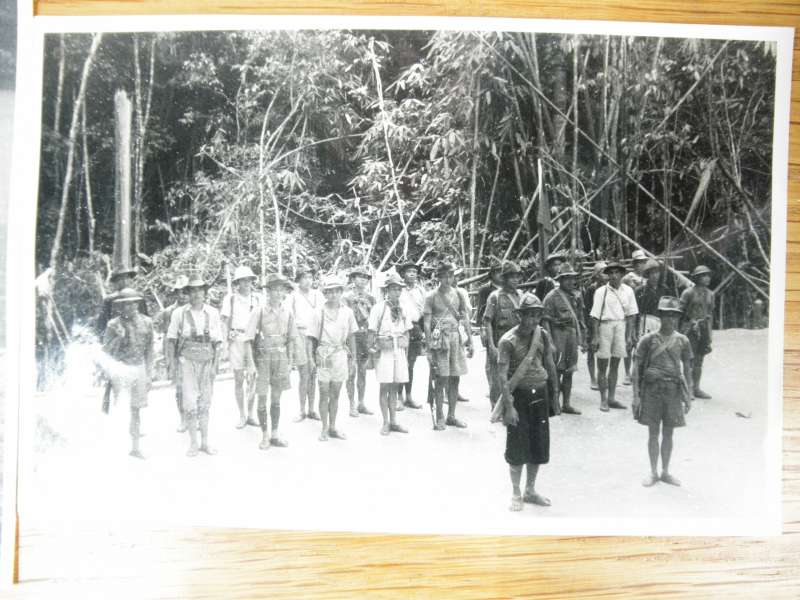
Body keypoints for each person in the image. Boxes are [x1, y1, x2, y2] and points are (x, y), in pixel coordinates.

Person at [492, 293, 558, 511]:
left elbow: (550, 365)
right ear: (520, 316)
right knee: (517, 447)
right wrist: (508, 407)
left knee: (538, 446)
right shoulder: (507, 341)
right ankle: (516, 492)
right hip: (519, 396)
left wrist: (555, 396)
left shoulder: (544, 336)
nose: (532, 320)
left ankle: (530, 489)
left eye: (536, 315)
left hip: (540, 393)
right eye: (528, 315)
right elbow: (501, 376)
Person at [632, 296, 693, 487]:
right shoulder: (648, 339)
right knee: (653, 432)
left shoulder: (682, 340)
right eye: (666, 315)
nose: (670, 320)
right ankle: (653, 472)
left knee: (669, 433)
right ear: (660, 316)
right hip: (652, 390)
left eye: (674, 316)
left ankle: (666, 471)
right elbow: (636, 369)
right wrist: (636, 396)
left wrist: (688, 394)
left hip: (673, 390)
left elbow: (688, 368)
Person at [167, 276, 224, 457]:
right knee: (190, 403)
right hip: (187, 362)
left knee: (205, 403)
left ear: (204, 292)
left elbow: (218, 342)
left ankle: (205, 442)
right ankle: (193, 443)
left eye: (200, 290)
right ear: (188, 293)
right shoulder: (179, 314)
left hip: (207, 361)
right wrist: (171, 365)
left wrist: (216, 365)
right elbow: (171, 340)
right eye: (192, 290)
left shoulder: (213, 313)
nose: (196, 294)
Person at [244, 274, 302, 450]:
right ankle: (264, 435)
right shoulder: (259, 311)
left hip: (280, 358)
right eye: (274, 288)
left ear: (285, 291)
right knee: (262, 398)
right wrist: (251, 364)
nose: (278, 292)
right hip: (263, 358)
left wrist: (291, 360)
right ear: (267, 291)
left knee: (276, 399)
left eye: (281, 289)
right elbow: (247, 339)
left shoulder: (288, 312)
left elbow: (292, 338)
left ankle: (275, 433)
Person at [102, 288, 154, 459]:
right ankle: (116, 446)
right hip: (120, 369)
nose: (129, 307)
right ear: (120, 306)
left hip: (139, 368)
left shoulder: (147, 322)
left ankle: (135, 447)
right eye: (125, 304)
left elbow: (149, 350)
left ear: (137, 304)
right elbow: (106, 351)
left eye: (132, 303)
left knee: (136, 409)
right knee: (121, 408)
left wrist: (148, 374)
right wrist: (118, 337)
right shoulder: (113, 325)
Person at [423, 262, 474, 430]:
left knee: (455, 377)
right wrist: (429, 346)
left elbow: (464, 318)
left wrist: (471, 341)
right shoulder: (431, 296)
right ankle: (440, 416)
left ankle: (451, 415)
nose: (448, 279)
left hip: (456, 338)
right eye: (444, 276)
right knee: (441, 378)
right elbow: (427, 322)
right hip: (440, 342)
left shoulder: (458, 294)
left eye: (450, 276)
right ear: (439, 278)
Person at [308, 275, 358, 441]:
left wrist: (353, 359)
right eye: (329, 292)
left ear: (341, 292)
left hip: (340, 354)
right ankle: (323, 428)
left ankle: (333, 426)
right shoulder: (318, 312)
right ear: (325, 293)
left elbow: (351, 336)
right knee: (323, 392)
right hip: (323, 353)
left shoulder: (347, 312)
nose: (333, 295)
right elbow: (311, 338)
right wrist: (311, 359)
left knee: (336, 393)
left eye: (336, 291)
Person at [368, 272, 413, 435]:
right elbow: (371, 332)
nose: (396, 292)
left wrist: (405, 349)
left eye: (399, 289)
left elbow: (407, 331)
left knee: (395, 386)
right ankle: (385, 422)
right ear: (387, 290)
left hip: (398, 350)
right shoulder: (378, 308)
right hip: (384, 350)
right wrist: (373, 352)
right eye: (393, 289)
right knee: (384, 386)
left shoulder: (403, 308)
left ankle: (394, 421)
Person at [589, 262, 638, 412]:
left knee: (616, 364)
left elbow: (631, 315)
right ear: (608, 275)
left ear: (622, 274)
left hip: (621, 326)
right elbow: (594, 316)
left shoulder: (628, 291)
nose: (614, 276)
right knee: (603, 364)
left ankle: (611, 398)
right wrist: (596, 336)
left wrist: (629, 336)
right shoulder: (601, 292)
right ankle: (603, 399)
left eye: (617, 272)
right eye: (611, 273)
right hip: (605, 326)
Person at [220, 265, 262, 429]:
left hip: (254, 340)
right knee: (239, 379)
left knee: (253, 378)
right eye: (242, 281)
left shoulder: (258, 298)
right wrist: (224, 343)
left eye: (248, 280)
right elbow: (224, 322)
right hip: (236, 339)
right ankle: (242, 414)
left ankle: (251, 414)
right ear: (237, 282)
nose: (246, 284)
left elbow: (263, 319)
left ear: (252, 281)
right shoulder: (230, 299)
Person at [542, 263, 586, 415]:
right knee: (556, 371)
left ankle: (566, 403)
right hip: (557, 335)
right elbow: (545, 319)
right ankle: (554, 403)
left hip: (571, 336)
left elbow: (579, 318)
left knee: (570, 370)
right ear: (560, 280)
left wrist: (583, 338)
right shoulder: (551, 297)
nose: (569, 281)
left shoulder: (575, 296)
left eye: (571, 278)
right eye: (565, 278)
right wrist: (550, 343)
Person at [482, 261, 524, 408]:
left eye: (517, 277)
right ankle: (496, 407)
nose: (515, 280)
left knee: (516, 374)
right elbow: (487, 322)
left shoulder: (521, 295)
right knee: (498, 376)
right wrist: (491, 346)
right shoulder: (495, 297)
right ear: (504, 278)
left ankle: (512, 405)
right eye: (511, 277)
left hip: (518, 342)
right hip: (500, 341)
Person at [289, 266, 325, 421]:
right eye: (304, 277)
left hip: (317, 336)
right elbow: (290, 319)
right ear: (298, 280)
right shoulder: (293, 296)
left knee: (314, 374)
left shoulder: (318, 295)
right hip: (301, 335)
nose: (308, 281)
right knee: (304, 374)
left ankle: (312, 409)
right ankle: (301, 410)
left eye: (310, 277)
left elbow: (325, 314)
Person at [155, 275, 189, 432]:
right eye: (179, 292)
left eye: (185, 292)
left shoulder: (194, 309)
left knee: (196, 389)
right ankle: (183, 418)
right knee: (180, 389)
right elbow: (167, 338)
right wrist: (169, 360)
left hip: (193, 354)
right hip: (176, 355)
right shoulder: (168, 312)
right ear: (175, 293)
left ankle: (193, 417)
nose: (182, 295)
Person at [342, 266, 376, 417]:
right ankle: (351, 404)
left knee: (362, 370)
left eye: (365, 277)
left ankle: (361, 402)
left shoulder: (371, 298)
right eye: (359, 276)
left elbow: (374, 319)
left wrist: (373, 338)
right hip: (352, 335)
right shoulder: (346, 297)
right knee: (351, 370)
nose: (363, 279)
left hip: (365, 335)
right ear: (353, 278)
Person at [679, 265, 715, 399]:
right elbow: (680, 312)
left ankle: (696, 388)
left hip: (704, 328)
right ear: (697, 277)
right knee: (689, 359)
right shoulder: (688, 293)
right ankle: (687, 389)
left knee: (700, 359)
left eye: (708, 275)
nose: (707, 278)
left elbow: (710, 314)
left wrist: (709, 333)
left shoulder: (710, 294)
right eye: (704, 275)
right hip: (689, 328)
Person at [397, 262, 425, 410]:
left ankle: (408, 396)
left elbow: (424, 311)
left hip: (415, 327)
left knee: (411, 364)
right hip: (401, 328)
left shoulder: (420, 291)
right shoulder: (398, 290)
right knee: (401, 362)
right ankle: (398, 396)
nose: (412, 274)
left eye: (414, 272)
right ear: (403, 274)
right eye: (409, 272)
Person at [621, 249, 649, 384]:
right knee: (629, 342)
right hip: (630, 313)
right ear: (635, 264)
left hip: (642, 313)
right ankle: (626, 372)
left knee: (639, 341)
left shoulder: (647, 279)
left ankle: (635, 371)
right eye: (639, 263)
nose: (642, 265)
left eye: (644, 262)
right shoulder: (627, 278)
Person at [95, 267, 149, 336]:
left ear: (130, 280)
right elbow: (102, 325)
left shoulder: (139, 297)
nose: (125, 281)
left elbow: (146, 320)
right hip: (117, 336)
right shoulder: (110, 299)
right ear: (116, 282)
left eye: (127, 278)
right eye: (120, 279)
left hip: (137, 336)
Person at [582, 261, 607, 391]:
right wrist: (588, 327)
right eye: (603, 272)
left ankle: (602, 376)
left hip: (605, 322)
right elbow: (587, 309)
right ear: (597, 275)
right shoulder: (592, 289)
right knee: (592, 351)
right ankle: (592, 378)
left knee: (605, 351)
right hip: (593, 322)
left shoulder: (610, 288)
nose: (606, 275)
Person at [635, 259, 669, 338]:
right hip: (645, 322)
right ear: (648, 275)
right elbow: (636, 312)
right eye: (652, 273)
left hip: (660, 322)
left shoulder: (665, 290)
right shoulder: (640, 290)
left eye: (657, 272)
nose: (655, 276)